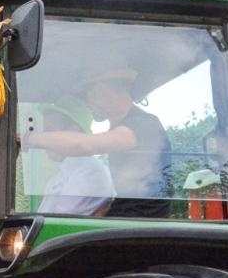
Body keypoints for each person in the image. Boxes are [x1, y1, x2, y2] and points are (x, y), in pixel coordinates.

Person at [21, 63, 172, 218]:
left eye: (88, 92)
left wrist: (27, 139)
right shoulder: (124, 126)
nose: (87, 101)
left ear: (104, 90)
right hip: (124, 222)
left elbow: (84, 145)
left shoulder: (144, 124)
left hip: (139, 228)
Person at [32, 101, 114, 215]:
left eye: (49, 132)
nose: (43, 141)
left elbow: (62, 219)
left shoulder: (90, 170)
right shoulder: (67, 170)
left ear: (72, 132)